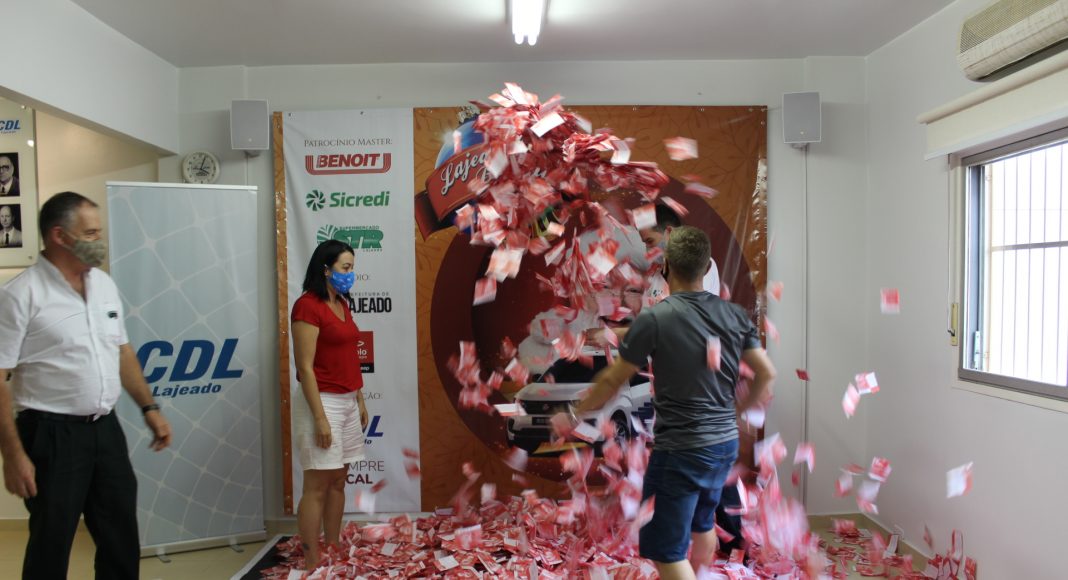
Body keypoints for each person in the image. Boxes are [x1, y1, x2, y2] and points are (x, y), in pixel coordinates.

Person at [572, 226, 775, 580]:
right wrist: (738, 411)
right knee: (702, 526)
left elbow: (611, 381)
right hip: (723, 445)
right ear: (706, 267)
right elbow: (766, 373)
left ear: (666, 266)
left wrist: (575, 412)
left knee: (666, 553)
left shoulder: (655, 318)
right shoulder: (735, 316)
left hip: (681, 451)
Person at [0, 191, 172, 579]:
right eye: (91, 233)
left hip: (105, 430)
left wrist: (150, 408)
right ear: (59, 236)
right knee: (51, 541)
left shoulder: (104, 285)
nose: (100, 240)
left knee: (120, 539)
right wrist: (12, 455)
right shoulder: (20, 294)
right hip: (50, 435)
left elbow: (122, 352)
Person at [291, 239, 369, 570]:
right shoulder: (307, 306)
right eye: (345, 268)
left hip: (348, 400)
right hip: (321, 402)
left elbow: (348, 355)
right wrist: (320, 418)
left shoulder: (341, 304)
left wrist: (359, 398)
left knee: (338, 480)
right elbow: (305, 367)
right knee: (317, 485)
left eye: (352, 268)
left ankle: (333, 548)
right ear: (326, 269)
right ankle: (312, 561)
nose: (350, 274)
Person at [639, 203, 720, 306]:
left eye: (650, 241)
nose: (648, 250)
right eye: (645, 243)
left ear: (669, 233)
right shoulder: (660, 269)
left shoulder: (699, 265)